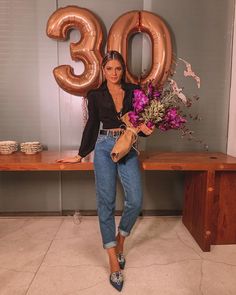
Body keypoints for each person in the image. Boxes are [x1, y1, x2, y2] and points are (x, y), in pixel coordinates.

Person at [57, 51, 154, 292]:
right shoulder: (96, 95)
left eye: (118, 69)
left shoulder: (134, 91)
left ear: (123, 70)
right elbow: (91, 124)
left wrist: (145, 129)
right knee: (106, 202)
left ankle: (121, 239)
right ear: (103, 70)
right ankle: (113, 259)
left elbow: (139, 123)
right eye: (109, 69)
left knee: (135, 200)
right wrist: (81, 154)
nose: (114, 73)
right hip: (102, 146)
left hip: (127, 145)